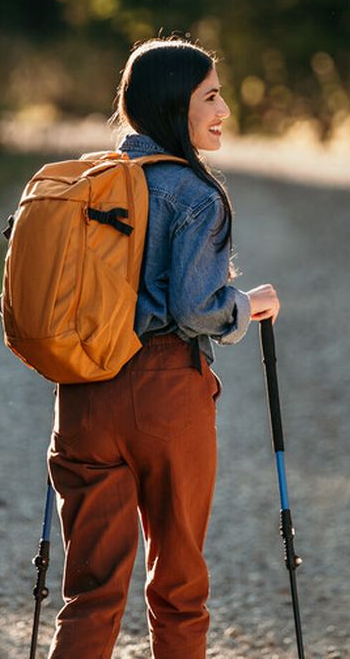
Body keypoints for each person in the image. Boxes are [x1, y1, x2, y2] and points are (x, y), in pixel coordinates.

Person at [47, 37, 280, 659]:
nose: (223, 109)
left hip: (84, 394)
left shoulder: (85, 183)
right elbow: (196, 308)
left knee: (90, 593)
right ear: (176, 106)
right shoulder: (195, 195)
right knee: (178, 588)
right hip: (165, 394)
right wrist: (249, 304)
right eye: (211, 96)